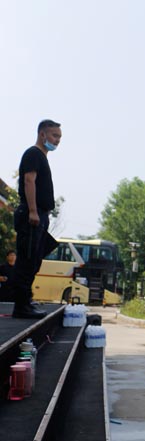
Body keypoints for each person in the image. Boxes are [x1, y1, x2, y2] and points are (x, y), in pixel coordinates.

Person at [10, 120, 61, 318]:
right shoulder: (33, 153)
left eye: (59, 137)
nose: (57, 140)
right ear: (42, 135)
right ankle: (21, 306)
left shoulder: (42, 157)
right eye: (54, 136)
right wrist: (32, 211)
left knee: (35, 260)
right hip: (32, 213)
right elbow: (29, 181)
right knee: (27, 259)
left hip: (41, 213)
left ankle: (26, 301)